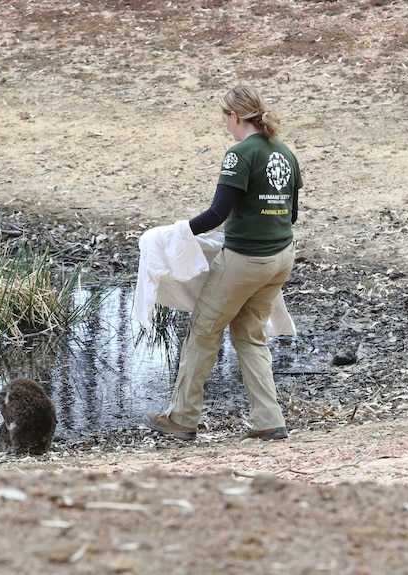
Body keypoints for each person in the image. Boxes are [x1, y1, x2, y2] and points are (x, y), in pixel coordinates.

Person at [144, 85, 302, 441]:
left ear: (234, 116)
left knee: (203, 330)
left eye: (225, 119)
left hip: (246, 258)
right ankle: (268, 420)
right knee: (250, 336)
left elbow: (217, 213)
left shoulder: (239, 155)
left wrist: (178, 233)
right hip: (281, 257)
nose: (225, 127)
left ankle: (182, 418)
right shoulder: (285, 153)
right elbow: (290, 214)